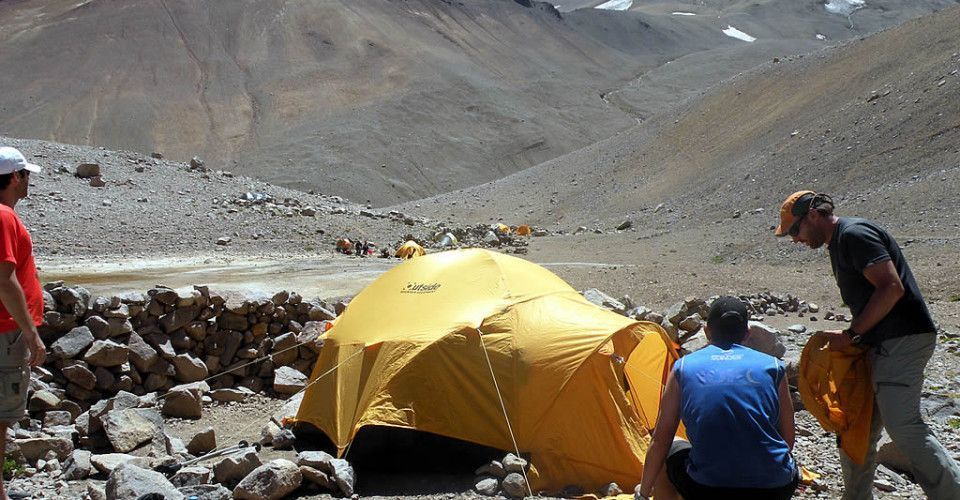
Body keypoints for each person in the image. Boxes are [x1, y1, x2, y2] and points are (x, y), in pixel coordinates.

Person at [775, 190, 960, 500]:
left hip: (902, 340)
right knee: (855, 425)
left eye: (795, 230)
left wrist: (852, 335)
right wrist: (855, 335)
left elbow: (891, 287)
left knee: (903, 427)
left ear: (813, 215)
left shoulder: (855, 234)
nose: (795, 239)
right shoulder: (839, 242)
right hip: (878, 344)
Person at [636, 296, 798, 500]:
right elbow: (788, 439)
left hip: (708, 488)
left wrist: (642, 493)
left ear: (706, 331)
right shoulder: (773, 366)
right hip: (775, 487)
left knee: (670, 449)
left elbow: (661, 440)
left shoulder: (684, 367)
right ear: (747, 333)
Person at [0, 147, 46, 500]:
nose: (29, 181)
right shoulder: (4, 216)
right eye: (27, 175)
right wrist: (30, 332)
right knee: (1, 416)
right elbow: (4, 278)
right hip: (6, 331)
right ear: (15, 177)